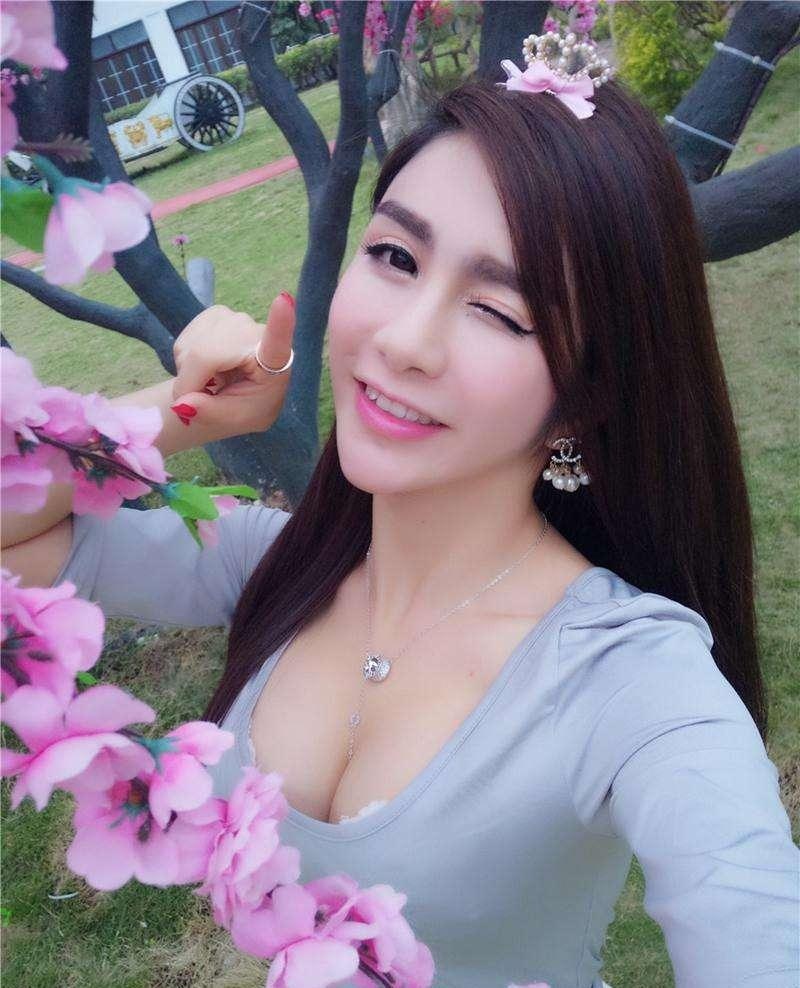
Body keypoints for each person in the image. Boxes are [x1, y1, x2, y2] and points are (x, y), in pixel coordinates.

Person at [3, 29, 798, 988]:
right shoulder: (273, 567)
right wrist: (182, 414)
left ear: (584, 398)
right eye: (394, 255)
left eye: (501, 312)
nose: (406, 341)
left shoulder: (632, 679)